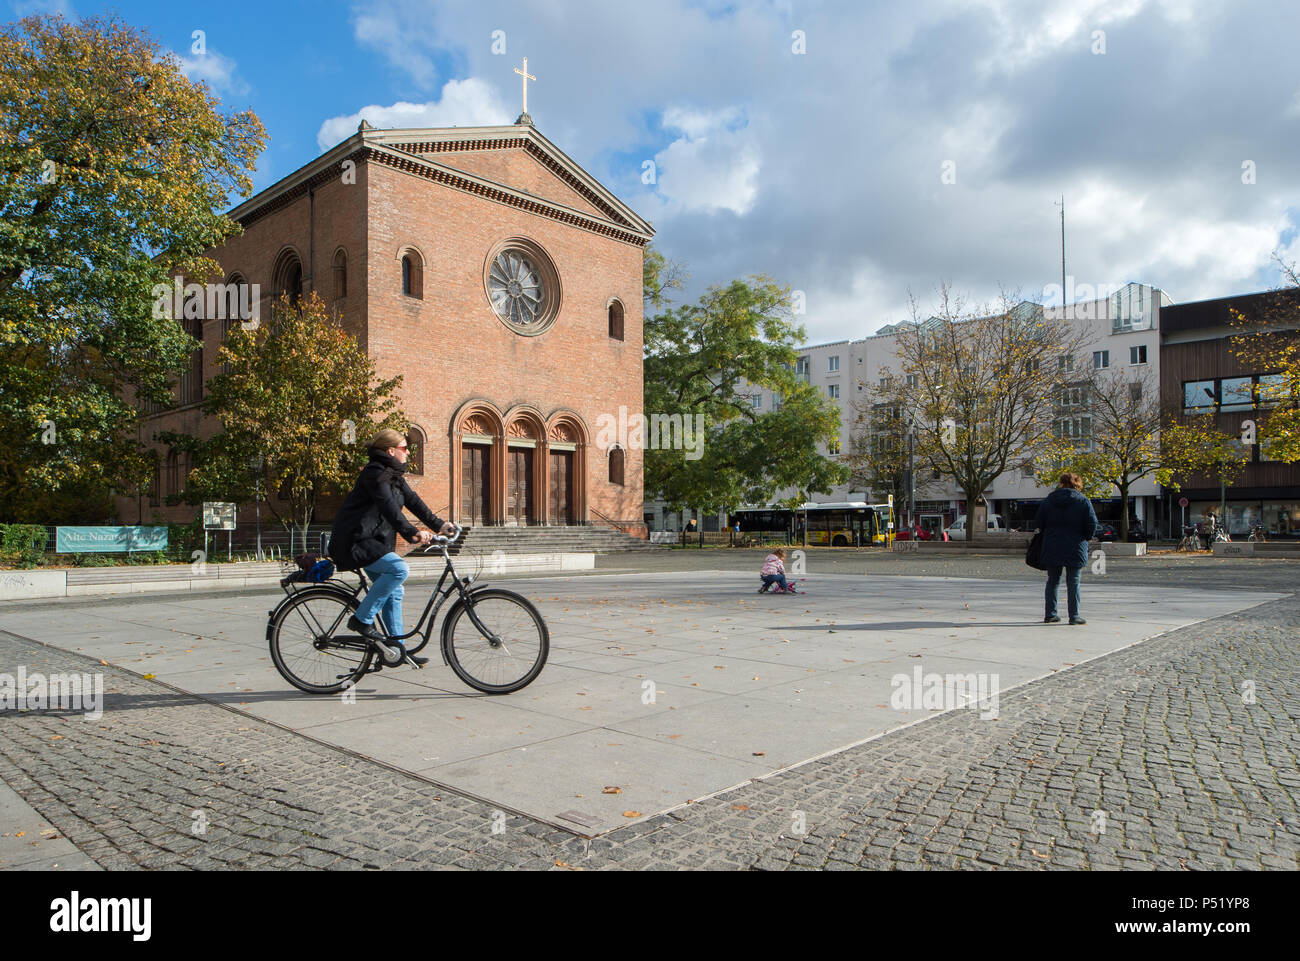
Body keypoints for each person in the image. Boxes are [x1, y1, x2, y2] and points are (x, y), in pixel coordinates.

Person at [329, 429, 456, 666]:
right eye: (404, 447)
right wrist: (413, 534)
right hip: (355, 541)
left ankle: (396, 649)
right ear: (391, 451)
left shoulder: (394, 475)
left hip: (375, 543)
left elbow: (414, 501)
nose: (408, 451)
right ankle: (362, 619)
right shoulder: (374, 474)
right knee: (399, 570)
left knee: (394, 591)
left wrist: (441, 525)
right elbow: (389, 508)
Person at [1034, 473, 1099, 625]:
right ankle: (1074, 616)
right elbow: (1092, 523)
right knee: (1074, 581)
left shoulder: (1049, 500)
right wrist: (1086, 537)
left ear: (1061, 483)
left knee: (1053, 581)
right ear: (1077, 484)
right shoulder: (1083, 501)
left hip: (1052, 544)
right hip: (1075, 545)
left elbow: (1039, 522)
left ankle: (1050, 614)